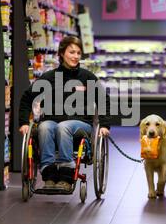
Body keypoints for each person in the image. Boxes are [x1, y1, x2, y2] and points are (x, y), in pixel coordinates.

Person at [19, 36, 111, 191]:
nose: (75, 56)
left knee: (63, 127)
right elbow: (26, 98)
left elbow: (103, 100)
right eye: (71, 52)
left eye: (78, 53)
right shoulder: (49, 77)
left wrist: (105, 124)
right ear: (62, 53)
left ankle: (66, 174)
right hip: (52, 121)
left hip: (81, 125)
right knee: (44, 127)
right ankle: (48, 174)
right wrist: (23, 122)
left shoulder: (87, 77)